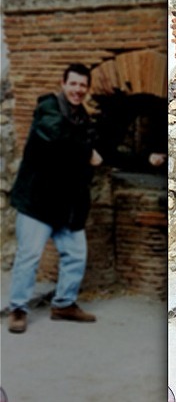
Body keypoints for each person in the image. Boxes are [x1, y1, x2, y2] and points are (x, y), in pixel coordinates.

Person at [7, 63, 102, 333]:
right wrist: (86, 153)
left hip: (67, 204)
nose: (78, 90)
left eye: (82, 85)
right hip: (37, 202)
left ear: (87, 89)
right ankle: (18, 309)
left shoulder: (82, 117)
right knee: (29, 256)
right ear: (63, 83)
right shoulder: (47, 107)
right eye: (73, 84)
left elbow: (99, 147)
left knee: (75, 254)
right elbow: (56, 137)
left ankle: (63, 304)